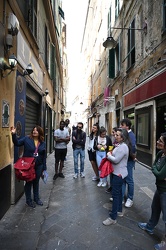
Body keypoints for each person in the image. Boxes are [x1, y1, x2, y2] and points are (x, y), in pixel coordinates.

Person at [138, 132, 166, 250]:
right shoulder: (160, 153)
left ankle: (164, 243)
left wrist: (157, 172)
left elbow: (159, 174)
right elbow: (154, 166)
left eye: (160, 141)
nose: (157, 142)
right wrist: (157, 171)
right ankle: (149, 226)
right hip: (159, 188)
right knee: (155, 209)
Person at [11, 125, 47, 208]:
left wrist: (44, 167)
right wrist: (14, 134)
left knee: (36, 182)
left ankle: (36, 198)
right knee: (29, 182)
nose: (34, 131)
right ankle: (28, 200)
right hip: (29, 166)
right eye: (33, 130)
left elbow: (43, 155)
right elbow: (17, 143)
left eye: (36, 130)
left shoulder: (42, 142)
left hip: (39, 165)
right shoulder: (26, 139)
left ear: (40, 132)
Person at [102, 128, 131, 226]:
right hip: (117, 173)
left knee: (115, 195)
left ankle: (113, 217)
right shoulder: (120, 145)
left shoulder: (123, 147)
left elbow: (116, 160)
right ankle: (118, 210)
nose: (115, 136)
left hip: (119, 174)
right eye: (116, 135)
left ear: (122, 137)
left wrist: (108, 155)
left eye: (117, 135)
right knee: (118, 194)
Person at [120, 118, 136, 207]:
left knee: (129, 180)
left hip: (129, 161)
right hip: (124, 161)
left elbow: (133, 148)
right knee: (123, 179)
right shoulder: (125, 134)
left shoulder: (131, 135)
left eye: (122, 125)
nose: (121, 126)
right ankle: (121, 197)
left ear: (127, 126)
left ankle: (130, 198)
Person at [106, 127, 118, 193]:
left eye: (113, 132)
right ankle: (111, 187)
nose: (112, 134)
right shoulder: (114, 140)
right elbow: (111, 146)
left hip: (115, 160)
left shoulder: (119, 142)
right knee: (111, 174)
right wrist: (110, 151)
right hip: (111, 158)